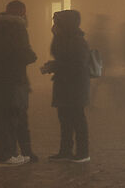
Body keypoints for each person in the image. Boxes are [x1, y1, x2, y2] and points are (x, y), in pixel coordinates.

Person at [0, 0, 38, 165]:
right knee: (14, 118)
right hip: (14, 80)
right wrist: (32, 57)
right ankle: (8, 155)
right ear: (22, 12)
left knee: (3, 119)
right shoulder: (18, 29)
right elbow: (23, 53)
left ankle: (9, 153)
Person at [41, 9, 96, 161]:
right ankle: (65, 150)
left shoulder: (77, 40)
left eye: (57, 22)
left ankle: (83, 152)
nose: (54, 25)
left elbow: (76, 64)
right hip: (66, 84)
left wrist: (54, 66)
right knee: (65, 119)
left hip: (75, 86)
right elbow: (61, 56)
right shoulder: (65, 38)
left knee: (77, 118)